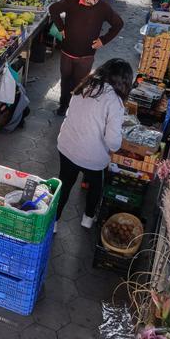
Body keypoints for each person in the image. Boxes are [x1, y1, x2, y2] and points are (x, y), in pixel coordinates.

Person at [55, 58, 133, 229]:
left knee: (65, 183)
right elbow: (112, 142)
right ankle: (87, 219)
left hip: (66, 145)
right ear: (124, 82)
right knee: (96, 185)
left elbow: (72, 113)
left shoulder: (86, 84)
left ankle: (53, 222)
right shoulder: (115, 101)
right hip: (92, 157)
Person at [49, 0, 124, 115]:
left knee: (80, 84)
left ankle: (75, 110)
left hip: (86, 56)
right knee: (65, 81)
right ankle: (63, 106)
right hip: (67, 53)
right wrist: (61, 27)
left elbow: (118, 24)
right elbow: (53, 9)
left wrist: (103, 40)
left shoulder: (103, 8)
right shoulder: (71, 3)